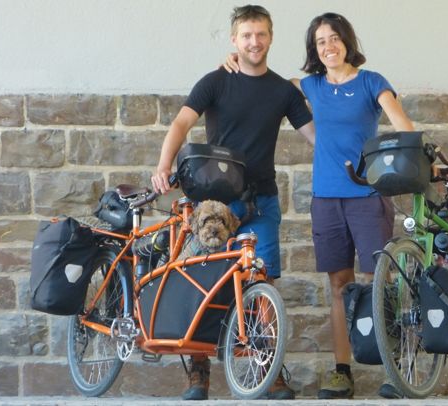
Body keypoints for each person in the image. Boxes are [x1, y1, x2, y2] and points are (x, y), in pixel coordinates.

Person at [224, 12, 416, 400]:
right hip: (326, 199)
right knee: (338, 285)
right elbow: (265, 81)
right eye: (320, 41)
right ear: (314, 49)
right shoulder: (308, 85)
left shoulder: (372, 82)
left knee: (381, 281)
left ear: (347, 41)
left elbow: (404, 128)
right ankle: (341, 371)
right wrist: (231, 63)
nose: (328, 46)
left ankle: (396, 369)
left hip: (367, 196)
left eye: (334, 38)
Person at [151, 4, 315, 401]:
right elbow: (181, 123)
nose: (254, 42)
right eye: (246, 35)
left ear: (271, 37)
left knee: (263, 283)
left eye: (260, 35)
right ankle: (199, 374)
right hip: (212, 205)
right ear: (234, 39)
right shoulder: (215, 81)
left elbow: (315, 136)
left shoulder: (282, 91)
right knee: (200, 282)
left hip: (260, 203)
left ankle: (268, 373)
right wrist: (163, 164)